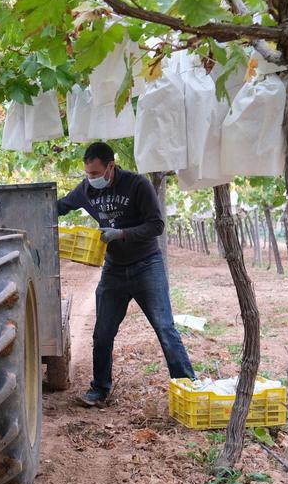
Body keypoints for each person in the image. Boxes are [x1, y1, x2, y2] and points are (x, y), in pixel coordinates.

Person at [57, 141, 194, 407]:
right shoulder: (86, 189)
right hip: (114, 269)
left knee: (165, 328)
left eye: (96, 174)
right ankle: (99, 390)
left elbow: (157, 225)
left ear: (111, 166)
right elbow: (61, 206)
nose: (91, 179)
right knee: (103, 333)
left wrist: (121, 234)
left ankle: (187, 387)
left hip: (146, 264)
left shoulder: (137, 184)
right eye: (88, 174)